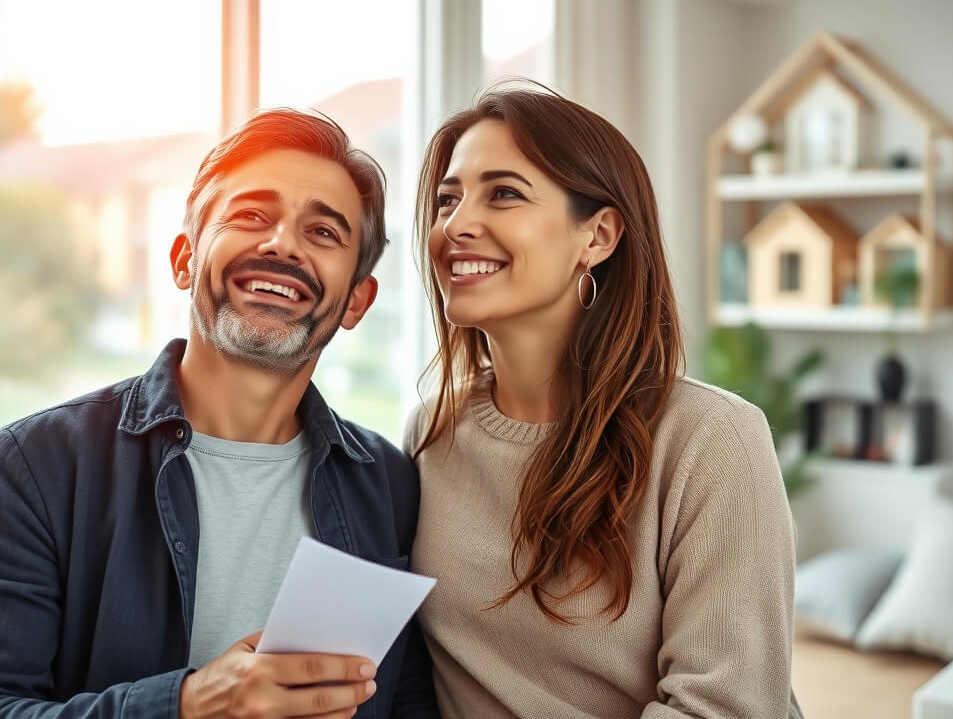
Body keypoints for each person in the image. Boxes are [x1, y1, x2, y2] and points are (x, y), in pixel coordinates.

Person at [0, 109, 438, 719]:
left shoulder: (390, 484)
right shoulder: (35, 466)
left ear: (357, 301)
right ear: (184, 259)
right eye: (251, 215)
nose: (282, 243)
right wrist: (186, 705)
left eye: (323, 233)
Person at [406, 84, 803, 718]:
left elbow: (723, 707)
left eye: (503, 193)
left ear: (598, 236)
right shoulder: (432, 433)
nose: (456, 226)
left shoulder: (713, 439)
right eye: (447, 200)